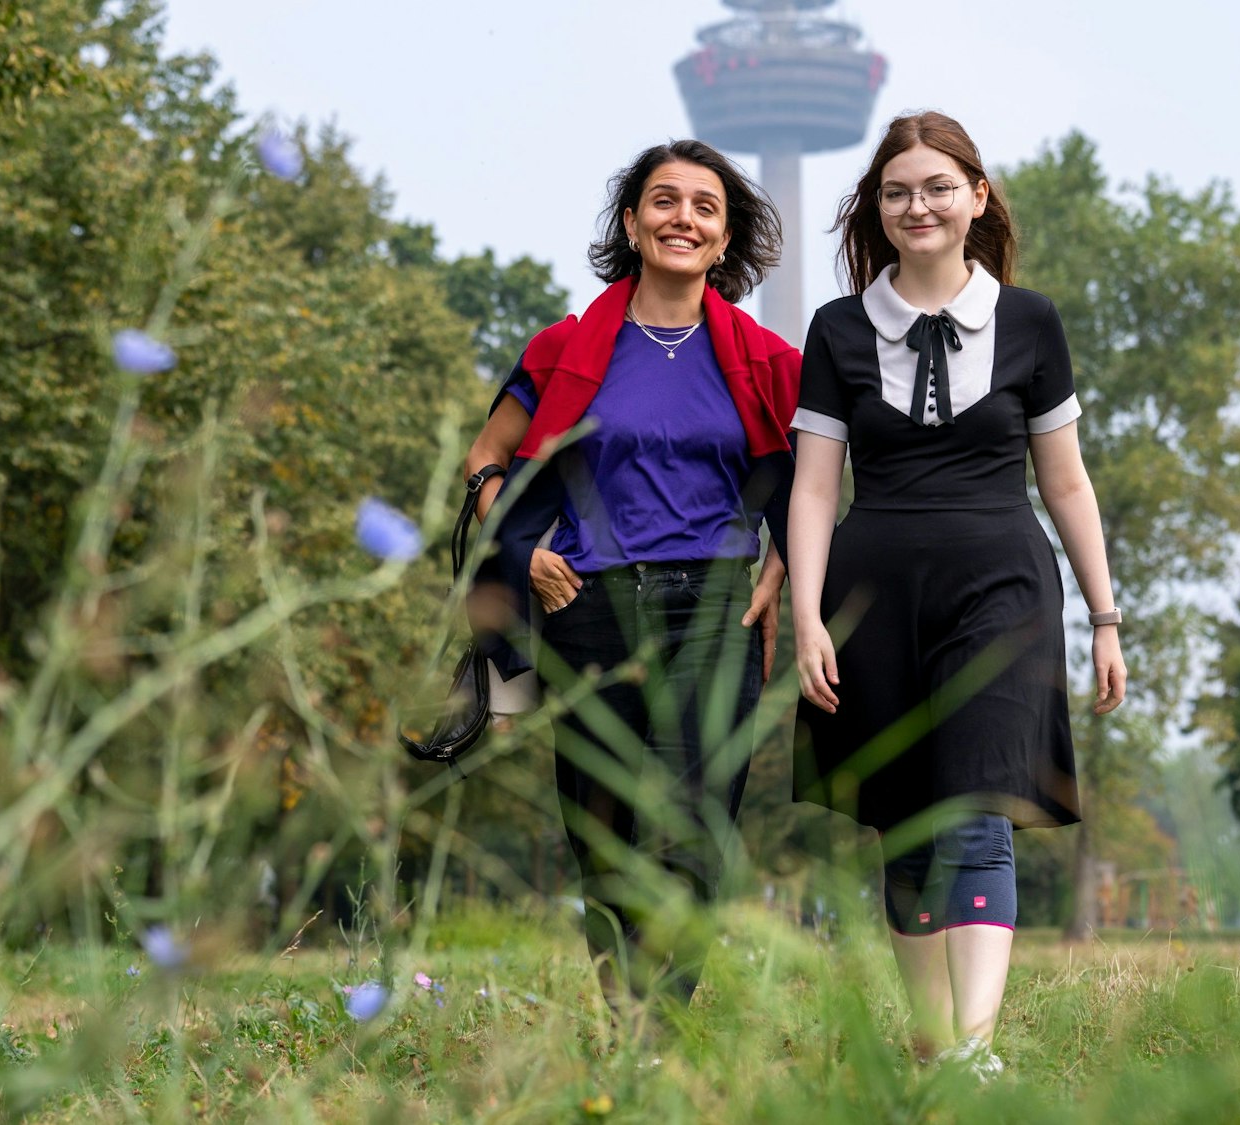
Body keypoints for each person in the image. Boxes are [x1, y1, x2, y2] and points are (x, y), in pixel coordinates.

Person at [787, 112, 1128, 1074]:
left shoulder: (1031, 322)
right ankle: (933, 1046)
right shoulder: (837, 330)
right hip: (872, 601)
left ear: (977, 196)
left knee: (977, 808)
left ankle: (975, 1049)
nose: (918, 206)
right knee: (906, 822)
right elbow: (813, 489)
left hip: (1003, 589)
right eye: (897, 191)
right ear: (876, 208)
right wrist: (808, 617)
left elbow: (1066, 482)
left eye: (938, 186)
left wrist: (1106, 617)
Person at [463, 139, 799, 1012]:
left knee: (692, 824)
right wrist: (522, 552)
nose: (683, 218)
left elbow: (815, 484)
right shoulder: (563, 348)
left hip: (716, 613)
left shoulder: (768, 361)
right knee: (604, 834)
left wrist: (781, 567)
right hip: (589, 608)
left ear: (724, 239)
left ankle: (659, 1025)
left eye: (704, 207)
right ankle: (626, 1014)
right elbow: (486, 459)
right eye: (664, 200)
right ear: (631, 221)